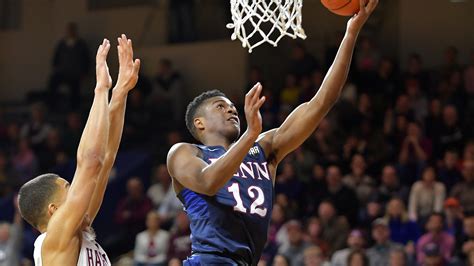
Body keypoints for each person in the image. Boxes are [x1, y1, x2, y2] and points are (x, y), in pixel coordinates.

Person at [166, 1, 378, 264]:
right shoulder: (185, 153)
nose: (232, 111)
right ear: (199, 123)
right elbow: (209, 182)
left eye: (233, 107)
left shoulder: (264, 149)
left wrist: (351, 33)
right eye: (221, 107)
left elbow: (322, 102)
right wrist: (250, 134)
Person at [17, 35, 140, 265]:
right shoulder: (55, 239)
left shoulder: (77, 232)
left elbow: (105, 159)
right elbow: (91, 163)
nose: (76, 188)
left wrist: (120, 93)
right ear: (54, 211)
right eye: (68, 188)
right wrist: (101, 89)